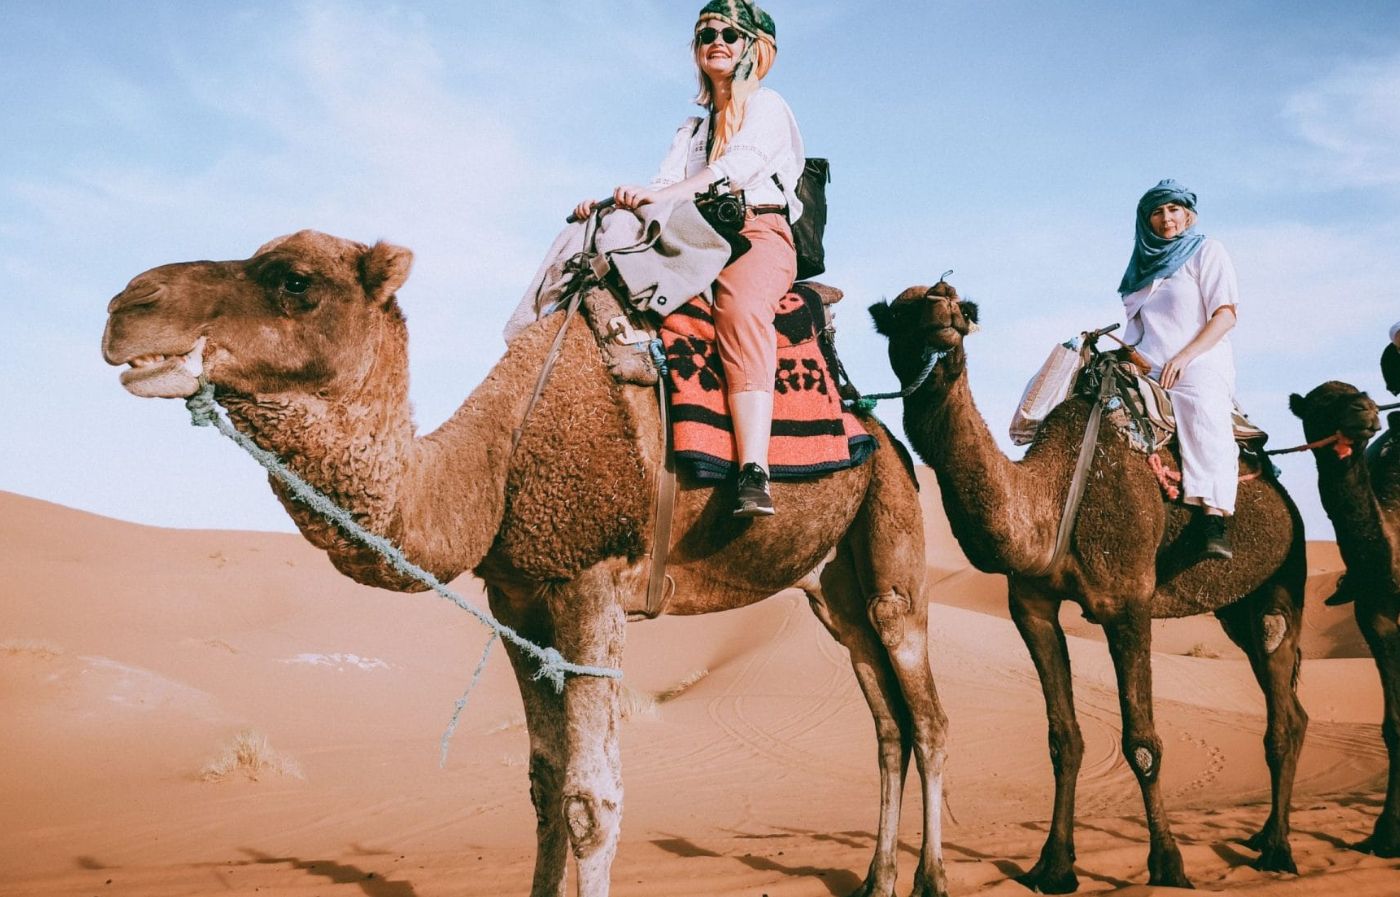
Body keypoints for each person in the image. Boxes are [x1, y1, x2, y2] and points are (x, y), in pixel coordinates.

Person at [572, 0, 803, 518]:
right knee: (607, 276)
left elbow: (740, 167)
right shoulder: (692, 130)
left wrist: (670, 194)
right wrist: (615, 202)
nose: (716, 41)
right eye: (706, 34)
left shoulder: (769, 107)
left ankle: (754, 469)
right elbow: (660, 186)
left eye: (729, 33)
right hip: (693, 233)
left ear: (754, 48)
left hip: (757, 231)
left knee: (739, 311)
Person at [1118, 179, 1240, 559]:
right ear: (1147, 220)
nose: (1166, 218)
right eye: (1157, 211)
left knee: (1202, 409)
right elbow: (1136, 334)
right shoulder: (1140, 270)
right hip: (1149, 366)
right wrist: (1127, 361)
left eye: (1173, 209)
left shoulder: (1206, 250)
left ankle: (1213, 517)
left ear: (1187, 215)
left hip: (1200, 360)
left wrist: (1185, 357)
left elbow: (1225, 315)